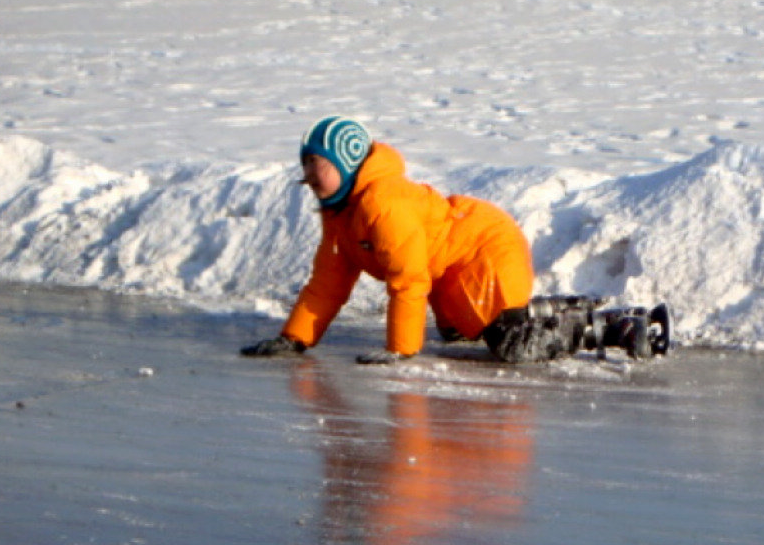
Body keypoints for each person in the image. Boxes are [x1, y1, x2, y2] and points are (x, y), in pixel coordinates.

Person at [241, 116, 668, 363]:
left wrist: (400, 352)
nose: (310, 175)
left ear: (346, 162)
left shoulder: (382, 204)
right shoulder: (341, 213)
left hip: (484, 246)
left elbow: (407, 279)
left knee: (513, 346)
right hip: (453, 265)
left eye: (318, 164)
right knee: (462, 331)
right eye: (305, 165)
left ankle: (616, 326)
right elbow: (328, 282)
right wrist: (294, 338)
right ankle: (560, 309)